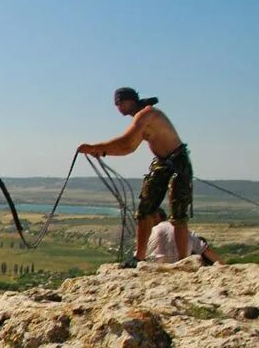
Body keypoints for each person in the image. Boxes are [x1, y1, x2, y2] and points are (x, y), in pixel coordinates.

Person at [78, 87, 193, 264]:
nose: (118, 107)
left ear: (131, 100)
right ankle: (139, 257)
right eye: (116, 104)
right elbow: (128, 148)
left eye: (120, 102)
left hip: (177, 162)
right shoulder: (142, 117)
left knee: (178, 213)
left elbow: (126, 142)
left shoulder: (146, 115)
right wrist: (102, 151)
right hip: (162, 162)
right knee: (145, 209)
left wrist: (95, 147)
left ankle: (184, 260)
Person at [146, 208, 221, 265]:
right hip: (183, 264)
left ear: (156, 217)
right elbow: (206, 250)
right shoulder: (185, 232)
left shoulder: (152, 231)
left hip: (156, 264)